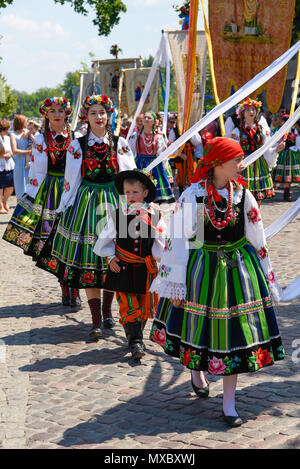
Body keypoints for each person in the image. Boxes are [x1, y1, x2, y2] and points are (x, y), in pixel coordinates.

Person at [149, 136, 285, 427]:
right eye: (237, 159)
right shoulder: (195, 196)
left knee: (232, 335)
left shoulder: (243, 196)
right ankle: (197, 372)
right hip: (203, 269)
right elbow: (180, 240)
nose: (241, 164)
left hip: (238, 270)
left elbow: (257, 238)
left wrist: (267, 276)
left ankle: (229, 402)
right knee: (200, 330)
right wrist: (175, 283)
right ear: (219, 163)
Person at [36, 95, 136, 339]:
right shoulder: (76, 145)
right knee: (91, 259)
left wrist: (132, 207)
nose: (99, 117)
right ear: (86, 117)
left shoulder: (120, 143)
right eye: (93, 113)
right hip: (88, 204)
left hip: (113, 203)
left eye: (102, 112)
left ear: (109, 115)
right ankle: (95, 319)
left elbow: (129, 175)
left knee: (113, 259)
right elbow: (71, 180)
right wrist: (64, 207)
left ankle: (107, 312)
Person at [3, 97, 81, 307]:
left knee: (72, 240)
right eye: (52, 111)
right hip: (50, 192)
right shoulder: (40, 139)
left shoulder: (76, 137)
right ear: (46, 114)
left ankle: (73, 286)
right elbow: (37, 171)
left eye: (60, 110)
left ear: (67, 113)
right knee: (54, 240)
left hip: (72, 190)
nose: (56, 114)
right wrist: (31, 197)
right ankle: (65, 286)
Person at [94, 169, 166, 359]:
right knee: (128, 305)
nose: (131, 196)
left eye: (135, 192)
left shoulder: (155, 214)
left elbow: (161, 242)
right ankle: (135, 342)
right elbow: (104, 240)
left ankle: (137, 336)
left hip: (145, 269)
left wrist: (162, 260)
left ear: (145, 193)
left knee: (143, 307)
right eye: (127, 192)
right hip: (123, 269)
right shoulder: (118, 214)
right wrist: (110, 258)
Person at [226, 98, 285, 207]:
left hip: (258, 164)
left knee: (257, 195)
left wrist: (276, 149)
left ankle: (255, 216)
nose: (251, 112)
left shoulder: (261, 128)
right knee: (242, 195)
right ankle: (244, 219)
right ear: (242, 113)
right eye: (248, 110)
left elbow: (267, 145)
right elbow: (232, 149)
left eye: (253, 109)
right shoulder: (237, 130)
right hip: (244, 163)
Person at [129, 111, 175, 205]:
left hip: (155, 166)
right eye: (145, 117)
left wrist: (168, 173)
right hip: (139, 165)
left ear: (154, 121)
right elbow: (130, 153)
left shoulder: (159, 137)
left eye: (149, 118)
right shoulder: (135, 136)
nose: (146, 119)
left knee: (156, 198)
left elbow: (163, 156)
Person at [273, 114, 300, 201]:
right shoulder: (279, 131)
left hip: (292, 154)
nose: (286, 122)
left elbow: (297, 141)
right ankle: (286, 193)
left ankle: (287, 192)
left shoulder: (293, 130)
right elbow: (275, 142)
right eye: (284, 121)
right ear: (281, 122)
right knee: (285, 174)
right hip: (283, 154)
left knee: (290, 174)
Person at [10, 114, 32, 200]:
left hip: (29, 163)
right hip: (19, 163)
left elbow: (35, 142)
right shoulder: (13, 134)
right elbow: (14, 151)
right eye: (26, 121)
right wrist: (28, 152)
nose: (27, 123)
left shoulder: (27, 132)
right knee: (20, 189)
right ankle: (19, 211)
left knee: (29, 188)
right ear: (21, 122)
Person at [0, 119, 14, 214]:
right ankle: (0, 205)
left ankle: (4, 200)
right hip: (0, 164)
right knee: (0, 187)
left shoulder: (8, 138)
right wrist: (4, 155)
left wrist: (11, 154)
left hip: (9, 164)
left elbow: (13, 149)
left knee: (10, 186)